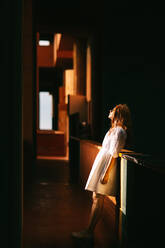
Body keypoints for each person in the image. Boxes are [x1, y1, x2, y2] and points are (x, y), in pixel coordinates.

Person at [72, 104, 132, 240]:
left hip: (106, 166)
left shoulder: (120, 132)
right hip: (102, 164)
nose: (109, 111)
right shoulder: (113, 130)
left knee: (97, 198)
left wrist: (106, 173)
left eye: (113, 110)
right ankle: (89, 231)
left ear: (118, 114)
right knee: (96, 198)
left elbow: (113, 154)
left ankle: (89, 232)